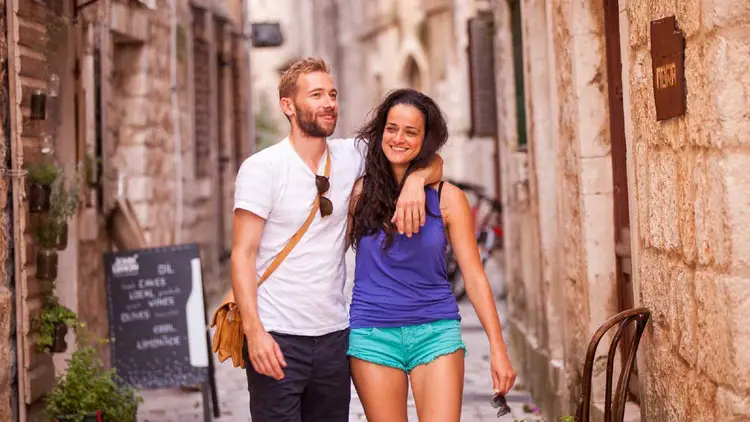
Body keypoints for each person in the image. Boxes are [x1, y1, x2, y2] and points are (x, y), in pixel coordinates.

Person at [230, 58, 443, 422]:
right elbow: (242, 254)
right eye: (316, 95)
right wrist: (255, 332)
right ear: (288, 106)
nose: (329, 103)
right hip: (277, 334)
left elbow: (425, 157)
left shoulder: (352, 155)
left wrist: (413, 182)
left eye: (332, 94)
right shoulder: (262, 168)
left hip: (333, 337)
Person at [346, 88, 516, 421]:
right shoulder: (358, 194)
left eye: (411, 132)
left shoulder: (449, 198)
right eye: (392, 128)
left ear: (425, 141)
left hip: (436, 333)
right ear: (380, 132)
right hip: (372, 335)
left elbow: (475, 275)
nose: (398, 138)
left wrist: (498, 347)